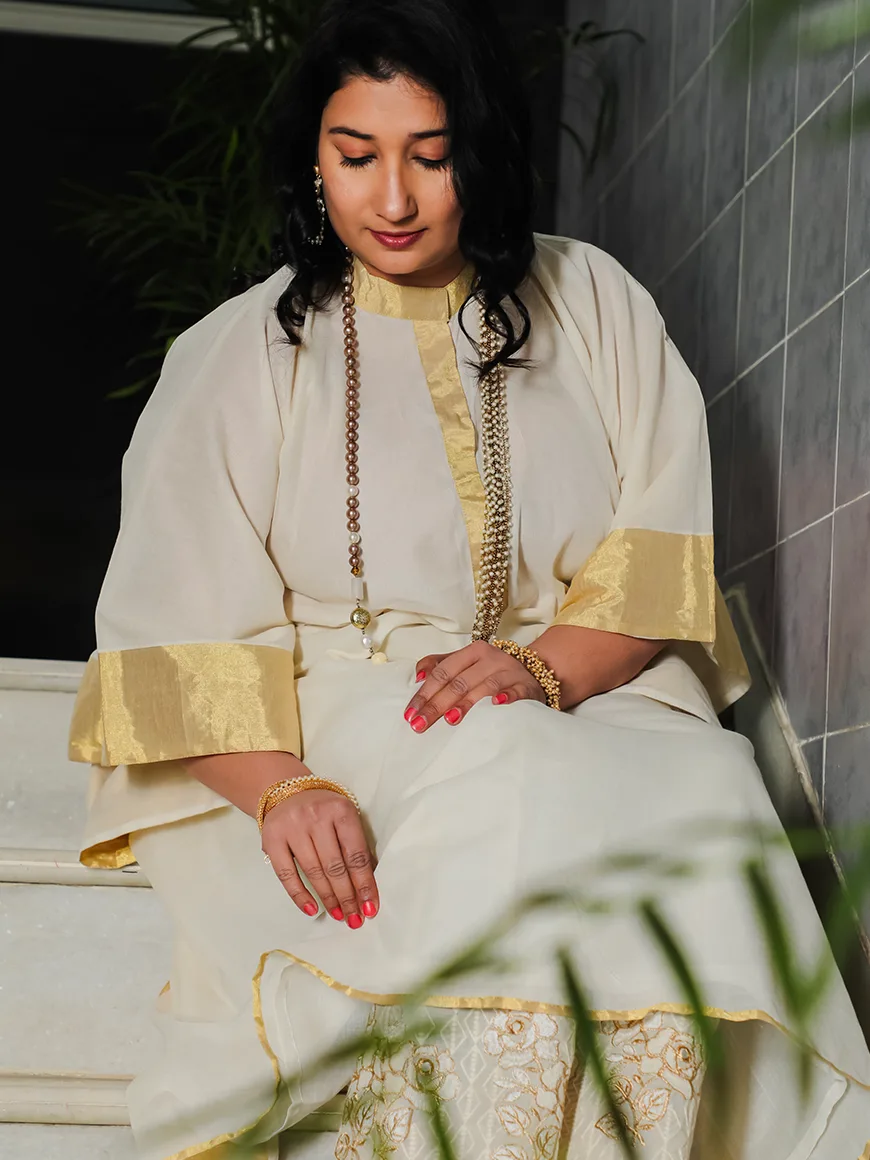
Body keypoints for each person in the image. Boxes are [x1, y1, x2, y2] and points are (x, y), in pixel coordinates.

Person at [68, 1, 870, 1157]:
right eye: (356, 156)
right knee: (506, 762)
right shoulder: (237, 352)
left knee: (708, 783)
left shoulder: (594, 300)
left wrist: (543, 668)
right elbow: (176, 624)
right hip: (345, 706)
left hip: (592, 678)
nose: (392, 198)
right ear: (314, 161)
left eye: (430, 157)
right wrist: (283, 789)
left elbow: (655, 551)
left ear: (481, 155)